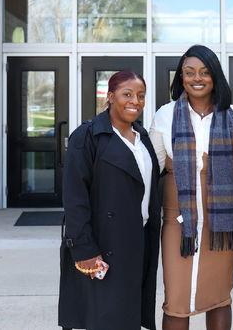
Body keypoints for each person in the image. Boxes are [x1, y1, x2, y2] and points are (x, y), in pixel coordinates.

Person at [149, 45, 233, 330]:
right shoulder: (165, 116)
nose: (197, 78)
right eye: (190, 72)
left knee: (218, 296)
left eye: (205, 72)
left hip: (224, 224)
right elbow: (151, 168)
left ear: (215, 76)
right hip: (178, 222)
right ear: (181, 77)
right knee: (177, 299)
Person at [59, 70, 162, 330]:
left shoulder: (142, 138)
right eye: (127, 94)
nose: (135, 101)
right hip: (103, 244)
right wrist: (83, 250)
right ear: (110, 96)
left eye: (141, 96)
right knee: (104, 317)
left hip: (138, 240)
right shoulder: (88, 136)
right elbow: (75, 198)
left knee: (128, 315)